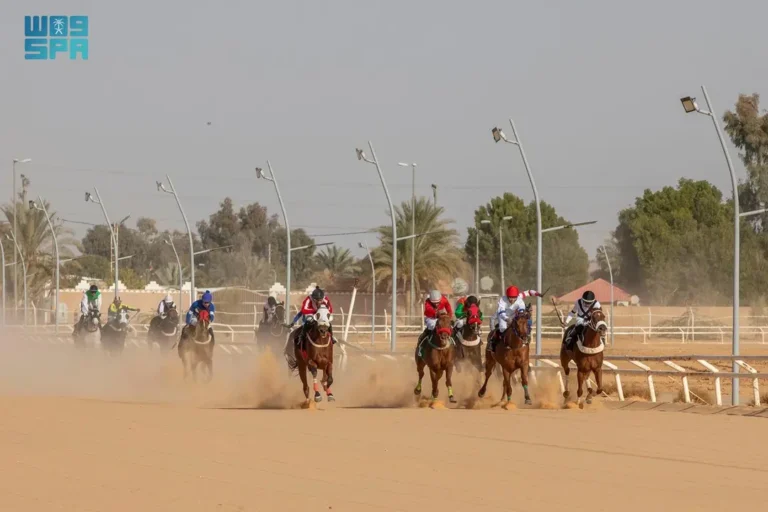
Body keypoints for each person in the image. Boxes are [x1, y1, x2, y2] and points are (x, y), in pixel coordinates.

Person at [488, 285, 542, 351]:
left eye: (514, 297)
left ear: (517, 296)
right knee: (503, 329)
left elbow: (529, 292)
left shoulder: (519, 298)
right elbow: (501, 312)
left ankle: (526, 337)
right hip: (503, 316)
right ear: (507, 296)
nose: (512, 300)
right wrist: (507, 319)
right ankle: (493, 343)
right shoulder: (502, 299)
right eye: (510, 298)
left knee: (522, 325)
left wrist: (537, 294)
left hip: (514, 315)